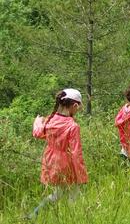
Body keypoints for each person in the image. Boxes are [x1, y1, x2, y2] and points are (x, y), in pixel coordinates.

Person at [29, 88, 88, 219]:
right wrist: (81, 175)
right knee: (74, 193)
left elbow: (38, 133)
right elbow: (76, 153)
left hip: (50, 161)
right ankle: (72, 218)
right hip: (65, 163)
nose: (78, 110)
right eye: (78, 107)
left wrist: (37, 122)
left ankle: (34, 214)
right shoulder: (73, 126)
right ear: (74, 106)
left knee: (58, 192)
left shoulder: (50, 120)